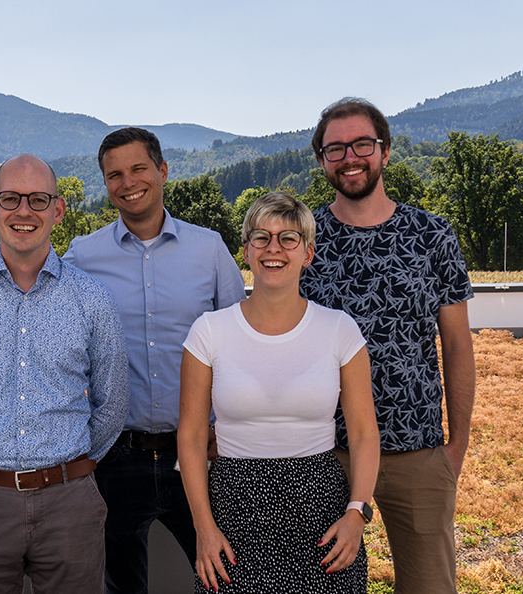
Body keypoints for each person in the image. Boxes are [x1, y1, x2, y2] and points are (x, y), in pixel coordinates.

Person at [0, 154, 129, 593]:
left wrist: (76, 465)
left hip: (69, 501)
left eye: (38, 199)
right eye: (11, 198)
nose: (24, 212)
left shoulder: (92, 299)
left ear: (58, 210)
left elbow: (112, 401)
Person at [299, 97, 477, 594]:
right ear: (321, 160)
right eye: (335, 148)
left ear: (386, 151)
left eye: (362, 144)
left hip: (417, 451)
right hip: (325, 452)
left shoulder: (432, 235)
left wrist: (455, 447)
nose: (350, 157)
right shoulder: (303, 240)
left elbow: (458, 346)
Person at [62, 127, 245, 594]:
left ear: (162, 171)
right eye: (114, 175)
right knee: (121, 585)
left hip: (203, 453)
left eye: (139, 169)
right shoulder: (82, 257)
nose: (128, 182)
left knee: (229, 577)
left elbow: (239, 345)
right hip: (116, 457)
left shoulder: (209, 250)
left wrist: (223, 430)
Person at [178, 191, 380, 593]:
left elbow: (362, 433)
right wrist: (203, 527)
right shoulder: (209, 331)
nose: (274, 249)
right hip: (234, 510)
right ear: (246, 251)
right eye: (261, 237)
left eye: (288, 238)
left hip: (320, 508)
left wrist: (357, 513)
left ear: (307, 253)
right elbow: (192, 435)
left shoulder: (339, 329)